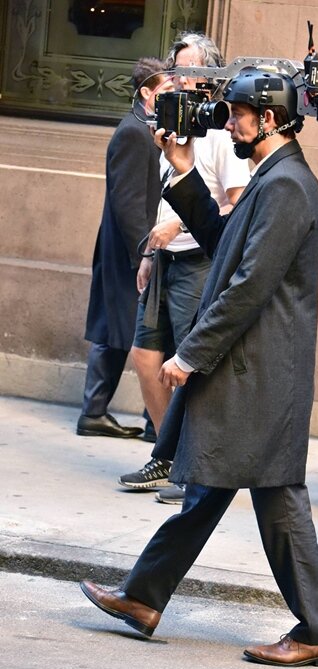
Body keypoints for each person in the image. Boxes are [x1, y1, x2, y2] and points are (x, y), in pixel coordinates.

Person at [80, 67, 318, 666]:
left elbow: (250, 285)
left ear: (268, 119)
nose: (228, 125)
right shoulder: (273, 176)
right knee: (207, 486)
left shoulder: (287, 185)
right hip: (252, 370)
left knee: (276, 497)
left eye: (238, 116)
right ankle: (143, 597)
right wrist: (183, 170)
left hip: (261, 373)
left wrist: (191, 353)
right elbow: (226, 246)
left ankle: (317, 630)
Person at [117, 33, 250, 499]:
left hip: (199, 260)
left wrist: (181, 225)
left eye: (190, 71)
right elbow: (164, 200)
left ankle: (193, 468)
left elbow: (237, 205)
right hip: (165, 262)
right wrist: (150, 255)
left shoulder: (220, 134)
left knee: (189, 365)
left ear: (211, 79)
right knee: (145, 354)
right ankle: (168, 456)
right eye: (176, 71)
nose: (179, 79)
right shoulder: (173, 130)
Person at [77, 58, 171, 439]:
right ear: (147, 92)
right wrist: (144, 253)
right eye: (166, 90)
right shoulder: (133, 132)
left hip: (134, 250)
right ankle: (97, 413)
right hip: (128, 252)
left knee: (125, 330)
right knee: (117, 330)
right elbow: (129, 202)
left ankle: (144, 418)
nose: (173, 96)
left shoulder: (148, 128)